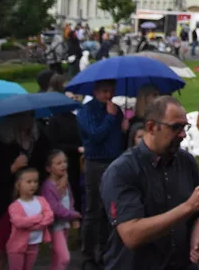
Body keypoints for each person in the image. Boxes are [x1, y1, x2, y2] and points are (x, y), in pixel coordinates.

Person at [100, 96, 199, 270]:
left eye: (184, 127)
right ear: (151, 127)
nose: (183, 134)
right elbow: (131, 234)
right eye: (176, 127)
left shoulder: (186, 161)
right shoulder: (122, 171)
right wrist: (188, 207)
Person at [0, 110, 51, 270]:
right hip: (0, 204)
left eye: (32, 115)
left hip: (27, 204)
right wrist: (12, 168)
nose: (28, 120)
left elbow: (47, 162)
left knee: (22, 251)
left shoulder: (39, 139)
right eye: (24, 116)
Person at [77, 80, 125, 270]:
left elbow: (118, 134)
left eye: (111, 91)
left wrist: (120, 121)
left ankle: (106, 250)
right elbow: (95, 135)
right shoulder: (87, 111)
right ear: (96, 91)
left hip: (114, 161)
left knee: (110, 209)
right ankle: (88, 254)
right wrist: (110, 118)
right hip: (96, 163)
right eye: (105, 91)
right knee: (93, 209)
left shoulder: (115, 109)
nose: (108, 95)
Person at [44, 75, 83, 214]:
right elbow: (54, 143)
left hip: (77, 162)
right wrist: (76, 148)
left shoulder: (75, 118)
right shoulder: (55, 120)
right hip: (63, 161)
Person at [7, 167, 54, 270]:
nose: (33, 185)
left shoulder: (41, 200)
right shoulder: (15, 206)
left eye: (35, 181)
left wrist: (32, 225)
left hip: (34, 244)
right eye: (29, 182)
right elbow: (19, 222)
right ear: (18, 184)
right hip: (17, 247)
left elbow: (49, 217)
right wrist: (39, 217)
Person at [42, 150, 81, 270]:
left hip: (64, 225)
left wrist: (72, 214)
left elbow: (70, 200)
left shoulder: (65, 181)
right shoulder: (48, 186)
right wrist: (73, 215)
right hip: (55, 227)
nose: (63, 165)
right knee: (65, 258)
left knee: (57, 258)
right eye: (58, 163)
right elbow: (56, 208)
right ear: (48, 168)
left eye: (65, 162)